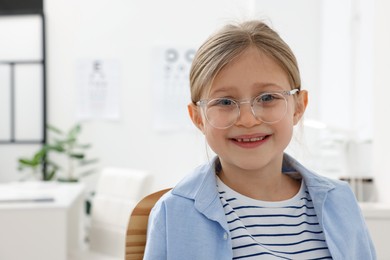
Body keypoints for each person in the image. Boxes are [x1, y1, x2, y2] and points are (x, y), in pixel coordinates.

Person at [144, 20, 376, 259]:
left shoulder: (340, 201)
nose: (247, 120)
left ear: (298, 107)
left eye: (267, 97)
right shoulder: (174, 212)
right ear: (198, 118)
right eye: (224, 102)